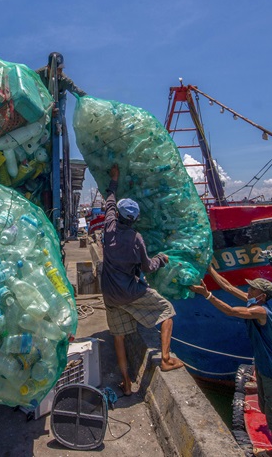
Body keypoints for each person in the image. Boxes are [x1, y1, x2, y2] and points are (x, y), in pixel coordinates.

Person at [189, 267, 272, 457]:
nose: (248, 291)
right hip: (264, 369)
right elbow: (228, 287)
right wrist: (210, 268)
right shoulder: (254, 303)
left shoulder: (260, 311)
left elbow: (230, 311)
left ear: (261, 296)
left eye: (252, 289)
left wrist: (207, 295)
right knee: (271, 415)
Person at [101, 164, 184, 397]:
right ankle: (166, 359)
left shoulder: (108, 228)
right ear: (135, 219)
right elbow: (148, 266)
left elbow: (109, 199)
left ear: (117, 215)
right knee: (167, 311)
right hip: (130, 292)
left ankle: (126, 383)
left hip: (109, 293)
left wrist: (114, 179)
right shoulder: (136, 239)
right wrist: (161, 259)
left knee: (118, 336)